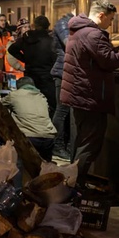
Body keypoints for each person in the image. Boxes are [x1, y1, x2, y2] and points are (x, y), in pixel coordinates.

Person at [60, 0, 119, 180]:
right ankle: (73, 186)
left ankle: (71, 184)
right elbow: (108, 61)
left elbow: (97, 57)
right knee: (90, 145)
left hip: (80, 95)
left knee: (82, 142)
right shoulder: (93, 34)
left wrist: (117, 50)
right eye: (111, 19)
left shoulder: (79, 31)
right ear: (101, 15)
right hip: (89, 96)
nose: (111, 23)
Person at [0, 76, 57, 161]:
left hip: (28, 138)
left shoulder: (14, 95)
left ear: (18, 87)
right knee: (45, 166)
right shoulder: (42, 97)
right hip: (49, 138)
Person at [7, 15, 57, 116]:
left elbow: (12, 49)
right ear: (47, 26)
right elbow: (55, 58)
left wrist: (25, 59)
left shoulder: (27, 38)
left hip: (30, 76)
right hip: (46, 77)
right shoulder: (51, 41)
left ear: (34, 25)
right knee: (49, 106)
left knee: (29, 105)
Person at [50, 11, 74, 159]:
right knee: (62, 111)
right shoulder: (63, 23)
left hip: (69, 71)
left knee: (68, 111)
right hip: (63, 72)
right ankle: (57, 146)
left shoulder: (71, 24)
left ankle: (67, 146)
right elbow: (68, 44)